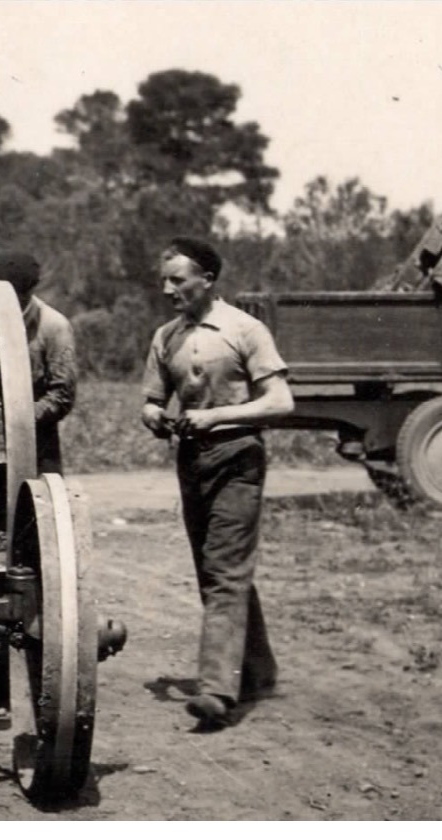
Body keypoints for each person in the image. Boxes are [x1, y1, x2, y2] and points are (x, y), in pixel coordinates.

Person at [140, 236, 295, 729]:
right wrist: (155, 417)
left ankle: (215, 689)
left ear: (207, 279)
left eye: (178, 280)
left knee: (225, 570)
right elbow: (151, 399)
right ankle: (259, 671)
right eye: (165, 281)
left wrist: (219, 417)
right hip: (191, 460)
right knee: (218, 570)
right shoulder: (166, 337)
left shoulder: (245, 330)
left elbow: (279, 402)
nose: (169, 289)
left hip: (238, 459)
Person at [0, 251, 77, 474]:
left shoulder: (54, 327)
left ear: (28, 292)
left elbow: (62, 396)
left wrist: (19, 418)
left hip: (36, 441)